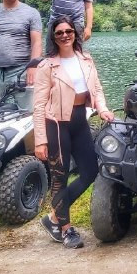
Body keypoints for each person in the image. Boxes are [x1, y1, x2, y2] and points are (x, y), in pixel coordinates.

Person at [33, 15, 114, 249]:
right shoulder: (46, 66)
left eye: (69, 31)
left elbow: (96, 89)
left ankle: (54, 218)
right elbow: (38, 106)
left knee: (90, 170)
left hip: (79, 119)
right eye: (59, 33)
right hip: (56, 124)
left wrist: (103, 109)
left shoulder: (86, 59)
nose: (65, 35)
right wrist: (40, 140)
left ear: (75, 33)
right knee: (59, 176)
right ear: (53, 37)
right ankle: (65, 229)